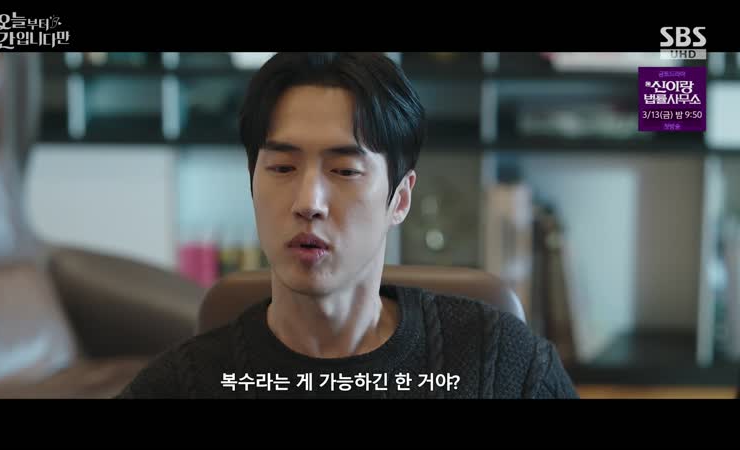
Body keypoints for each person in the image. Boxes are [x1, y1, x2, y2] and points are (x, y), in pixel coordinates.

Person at [116, 52, 579, 399]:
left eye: (344, 171)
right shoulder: (180, 385)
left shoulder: (504, 367)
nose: (308, 203)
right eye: (282, 168)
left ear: (400, 199)